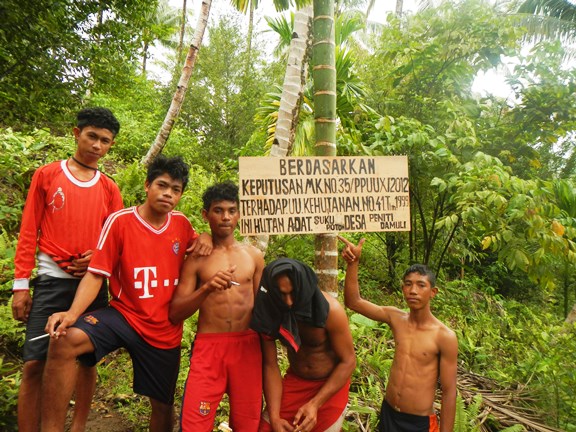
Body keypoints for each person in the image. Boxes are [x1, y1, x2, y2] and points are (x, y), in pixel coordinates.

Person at [40, 155, 212, 432]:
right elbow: (97, 272)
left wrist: (206, 236)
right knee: (64, 340)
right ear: (147, 185)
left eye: (176, 189)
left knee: (163, 407)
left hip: (164, 329)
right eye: (162, 185)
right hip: (124, 316)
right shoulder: (120, 222)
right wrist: (72, 314)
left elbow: (203, 246)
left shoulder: (181, 225)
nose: (168, 194)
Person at [11, 107, 123, 432]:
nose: (97, 146)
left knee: (87, 361)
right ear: (77, 134)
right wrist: (21, 286)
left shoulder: (109, 189)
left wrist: (98, 257)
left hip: (92, 287)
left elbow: (116, 240)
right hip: (50, 281)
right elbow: (29, 230)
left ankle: (78, 427)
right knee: (34, 364)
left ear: (111, 145)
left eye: (105, 140)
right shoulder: (47, 175)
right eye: (91, 136)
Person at [169, 181, 265, 431]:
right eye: (218, 210)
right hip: (209, 347)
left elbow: (264, 310)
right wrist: (207, 288)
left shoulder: (253, 256)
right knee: (194, 424)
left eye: (232, 210)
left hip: (248, 346)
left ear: (239, 214)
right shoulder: (196, 258)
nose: (226, 217)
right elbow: (176, 312)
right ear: (206, 214)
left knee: (248, 424)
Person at [339, 236, 458, 432]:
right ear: (402, 288)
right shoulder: (396, 318)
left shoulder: (444, 336)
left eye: (421, 285)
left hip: (418, 423)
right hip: (389, 413)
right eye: (408, 284)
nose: (413, 290)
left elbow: (449, 391)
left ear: (433, 292)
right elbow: (354, 302)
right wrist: (353, 263)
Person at [251, 258, 356, 432]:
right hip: (296, 381)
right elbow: (270, 364)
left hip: (330, 385)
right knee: (267, 428)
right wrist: (275, 417)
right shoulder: (269, 310)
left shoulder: (331, 311)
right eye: (281, 294)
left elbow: (349, 361)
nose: (289, 302)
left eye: (293, 293)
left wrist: (315, 404)